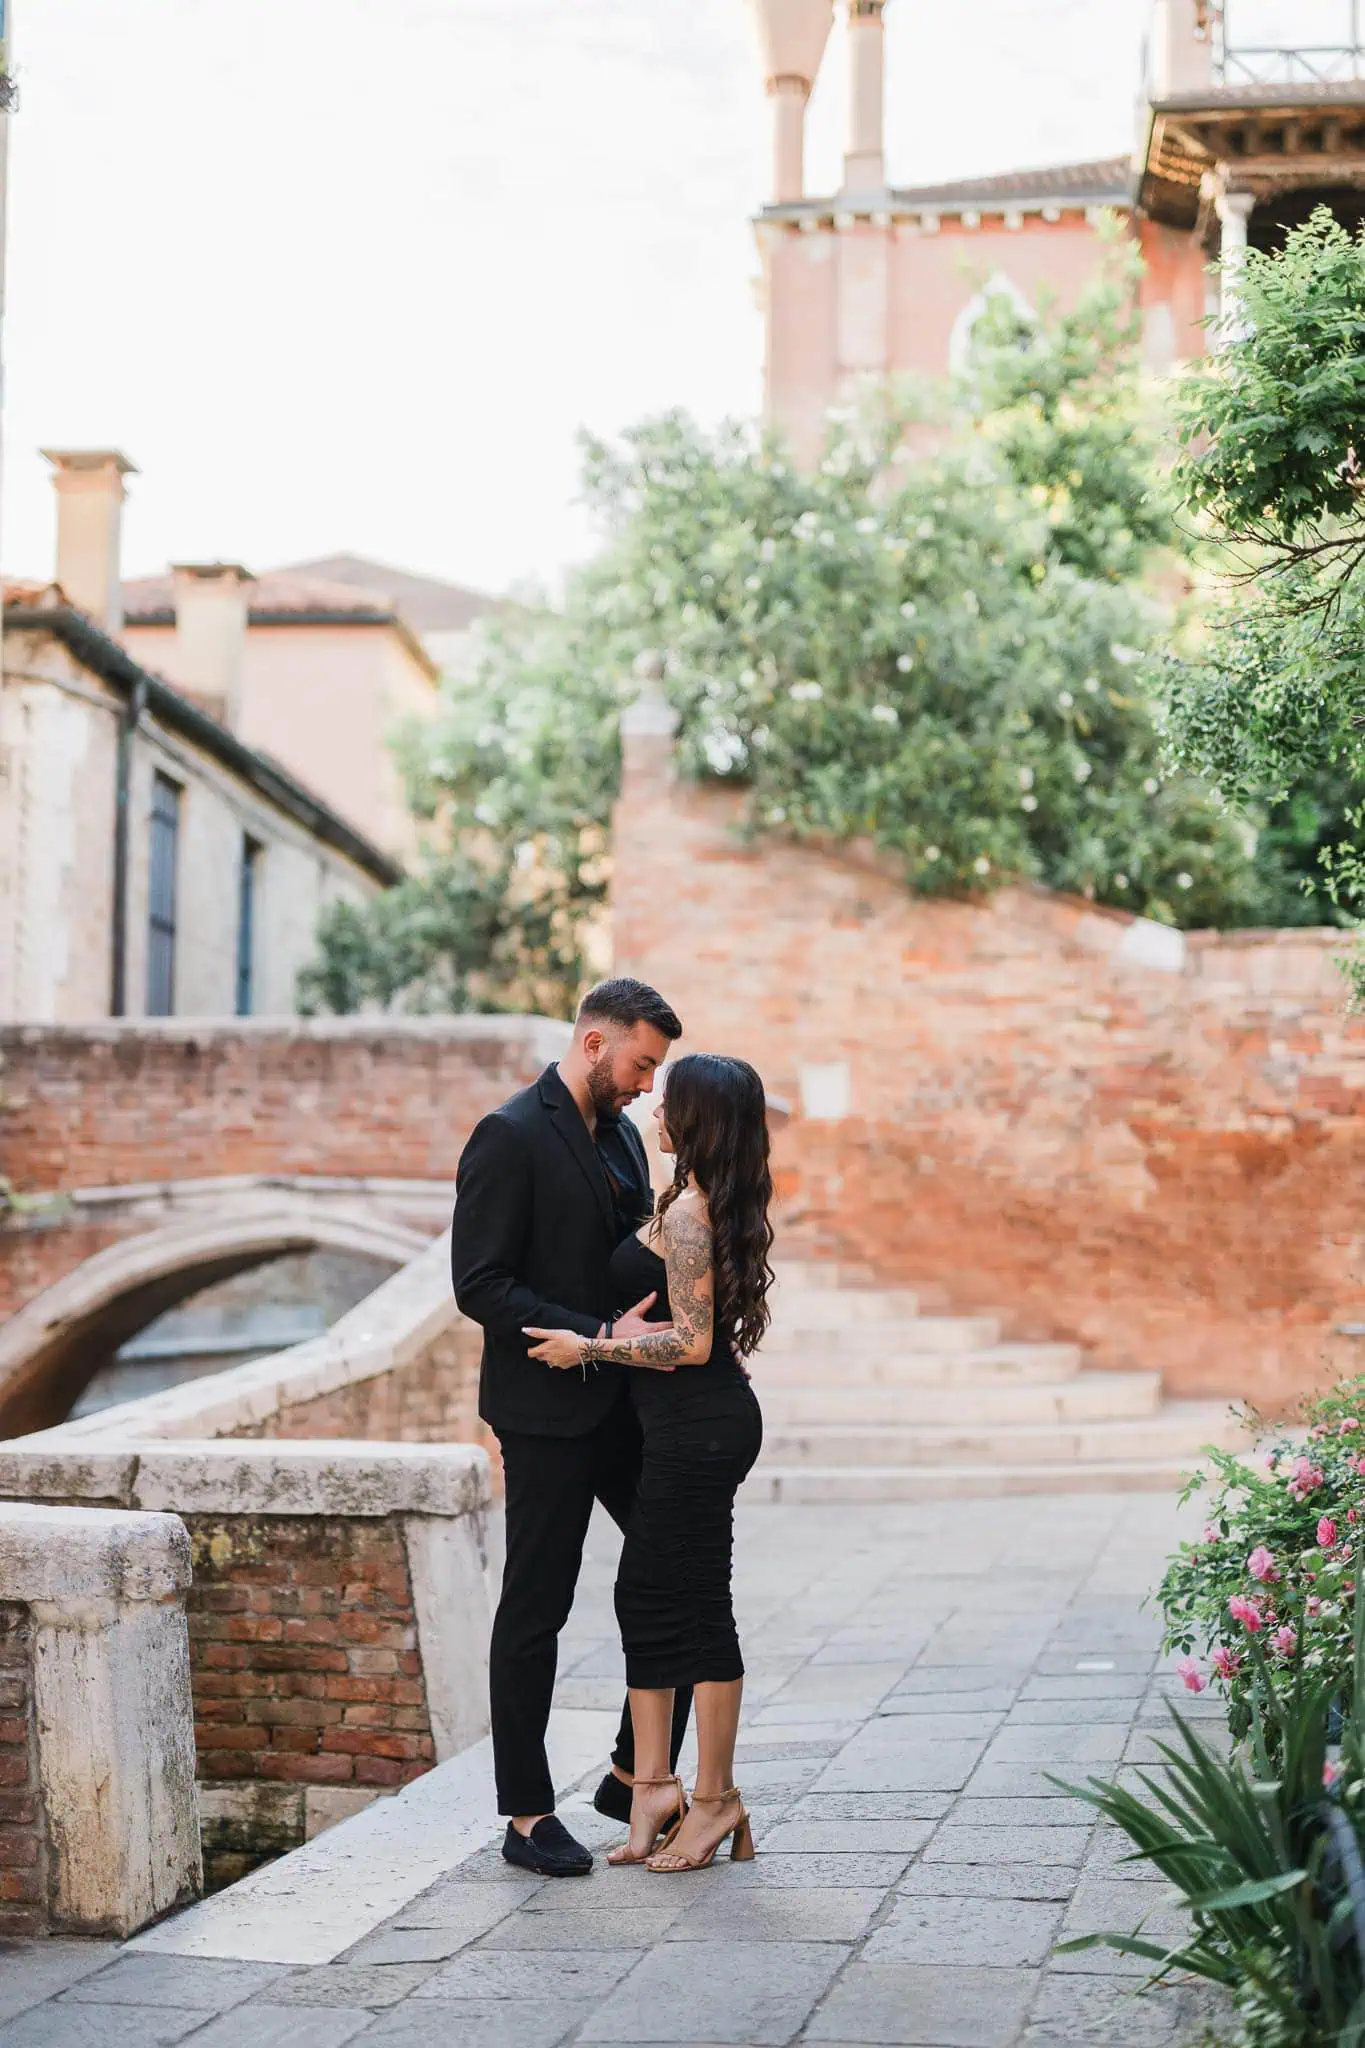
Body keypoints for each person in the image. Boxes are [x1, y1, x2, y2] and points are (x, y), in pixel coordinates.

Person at [450, 976, 689, 1878]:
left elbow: (634, 1254)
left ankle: (631, 1774)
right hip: (543, 1415)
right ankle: (525, 1814)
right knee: (536, 1609)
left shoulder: (626, 1135)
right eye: (638, 1064)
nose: (645, 1086)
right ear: (594, 1043)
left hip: (625, 1403)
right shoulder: (507, 1135)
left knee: (675, 1565)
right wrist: (593, 1335)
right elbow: (479, 1284)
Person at [525, 1051, 771, 1875]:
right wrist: (626, 1335)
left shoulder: (695, 1213)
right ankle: (653, 1788)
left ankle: (714, 1800)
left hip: (700, 1427)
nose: (652, 1112)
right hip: (680, 1422)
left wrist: (590, 1345)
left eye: (668, 1103)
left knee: (698, 1603)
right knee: (646, 1595)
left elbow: (694, 1343)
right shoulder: (688, 1201)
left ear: (695, 1119)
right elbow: (680, 1328)